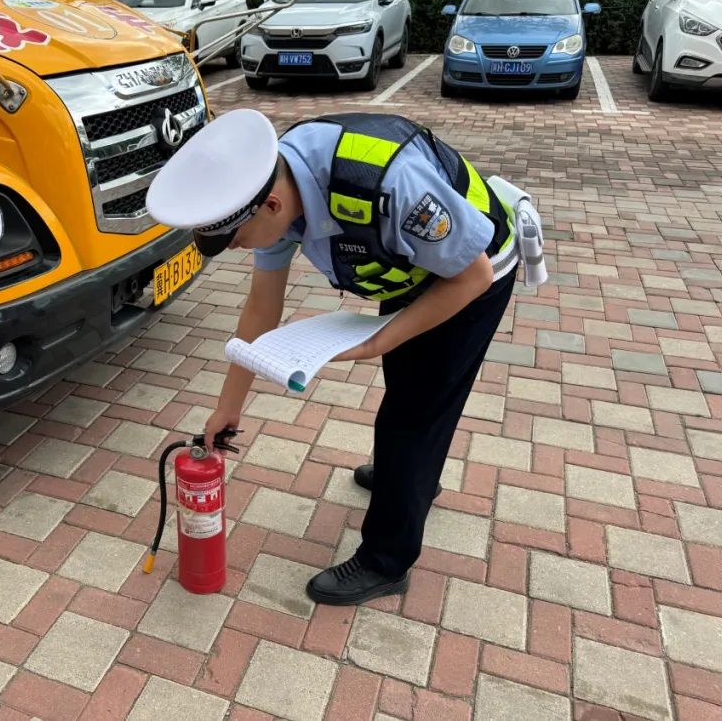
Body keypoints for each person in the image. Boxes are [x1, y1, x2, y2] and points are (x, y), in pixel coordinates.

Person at [146, 107, 540, 606]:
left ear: (271, 205)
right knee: (407, 395)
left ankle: (386, 561)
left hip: (474, 272)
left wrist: (380, 341)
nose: (242, 249)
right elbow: (262, 305)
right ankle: (408, 478)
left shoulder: (388, 182)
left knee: (414, 415)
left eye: (239, 240)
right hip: (414, 269)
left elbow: (472, 275)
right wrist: (229, 406)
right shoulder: (273, 184)